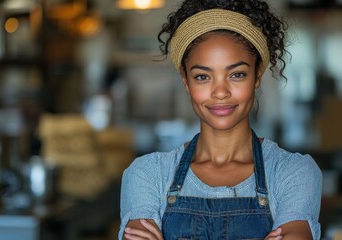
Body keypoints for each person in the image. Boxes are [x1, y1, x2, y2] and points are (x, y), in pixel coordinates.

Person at [119, 0, 322, 239]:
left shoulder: (293, 172)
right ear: (185, 80)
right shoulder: (147, 174)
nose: (220, 92)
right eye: (203, 76)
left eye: (237, 74)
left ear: (257, 76)